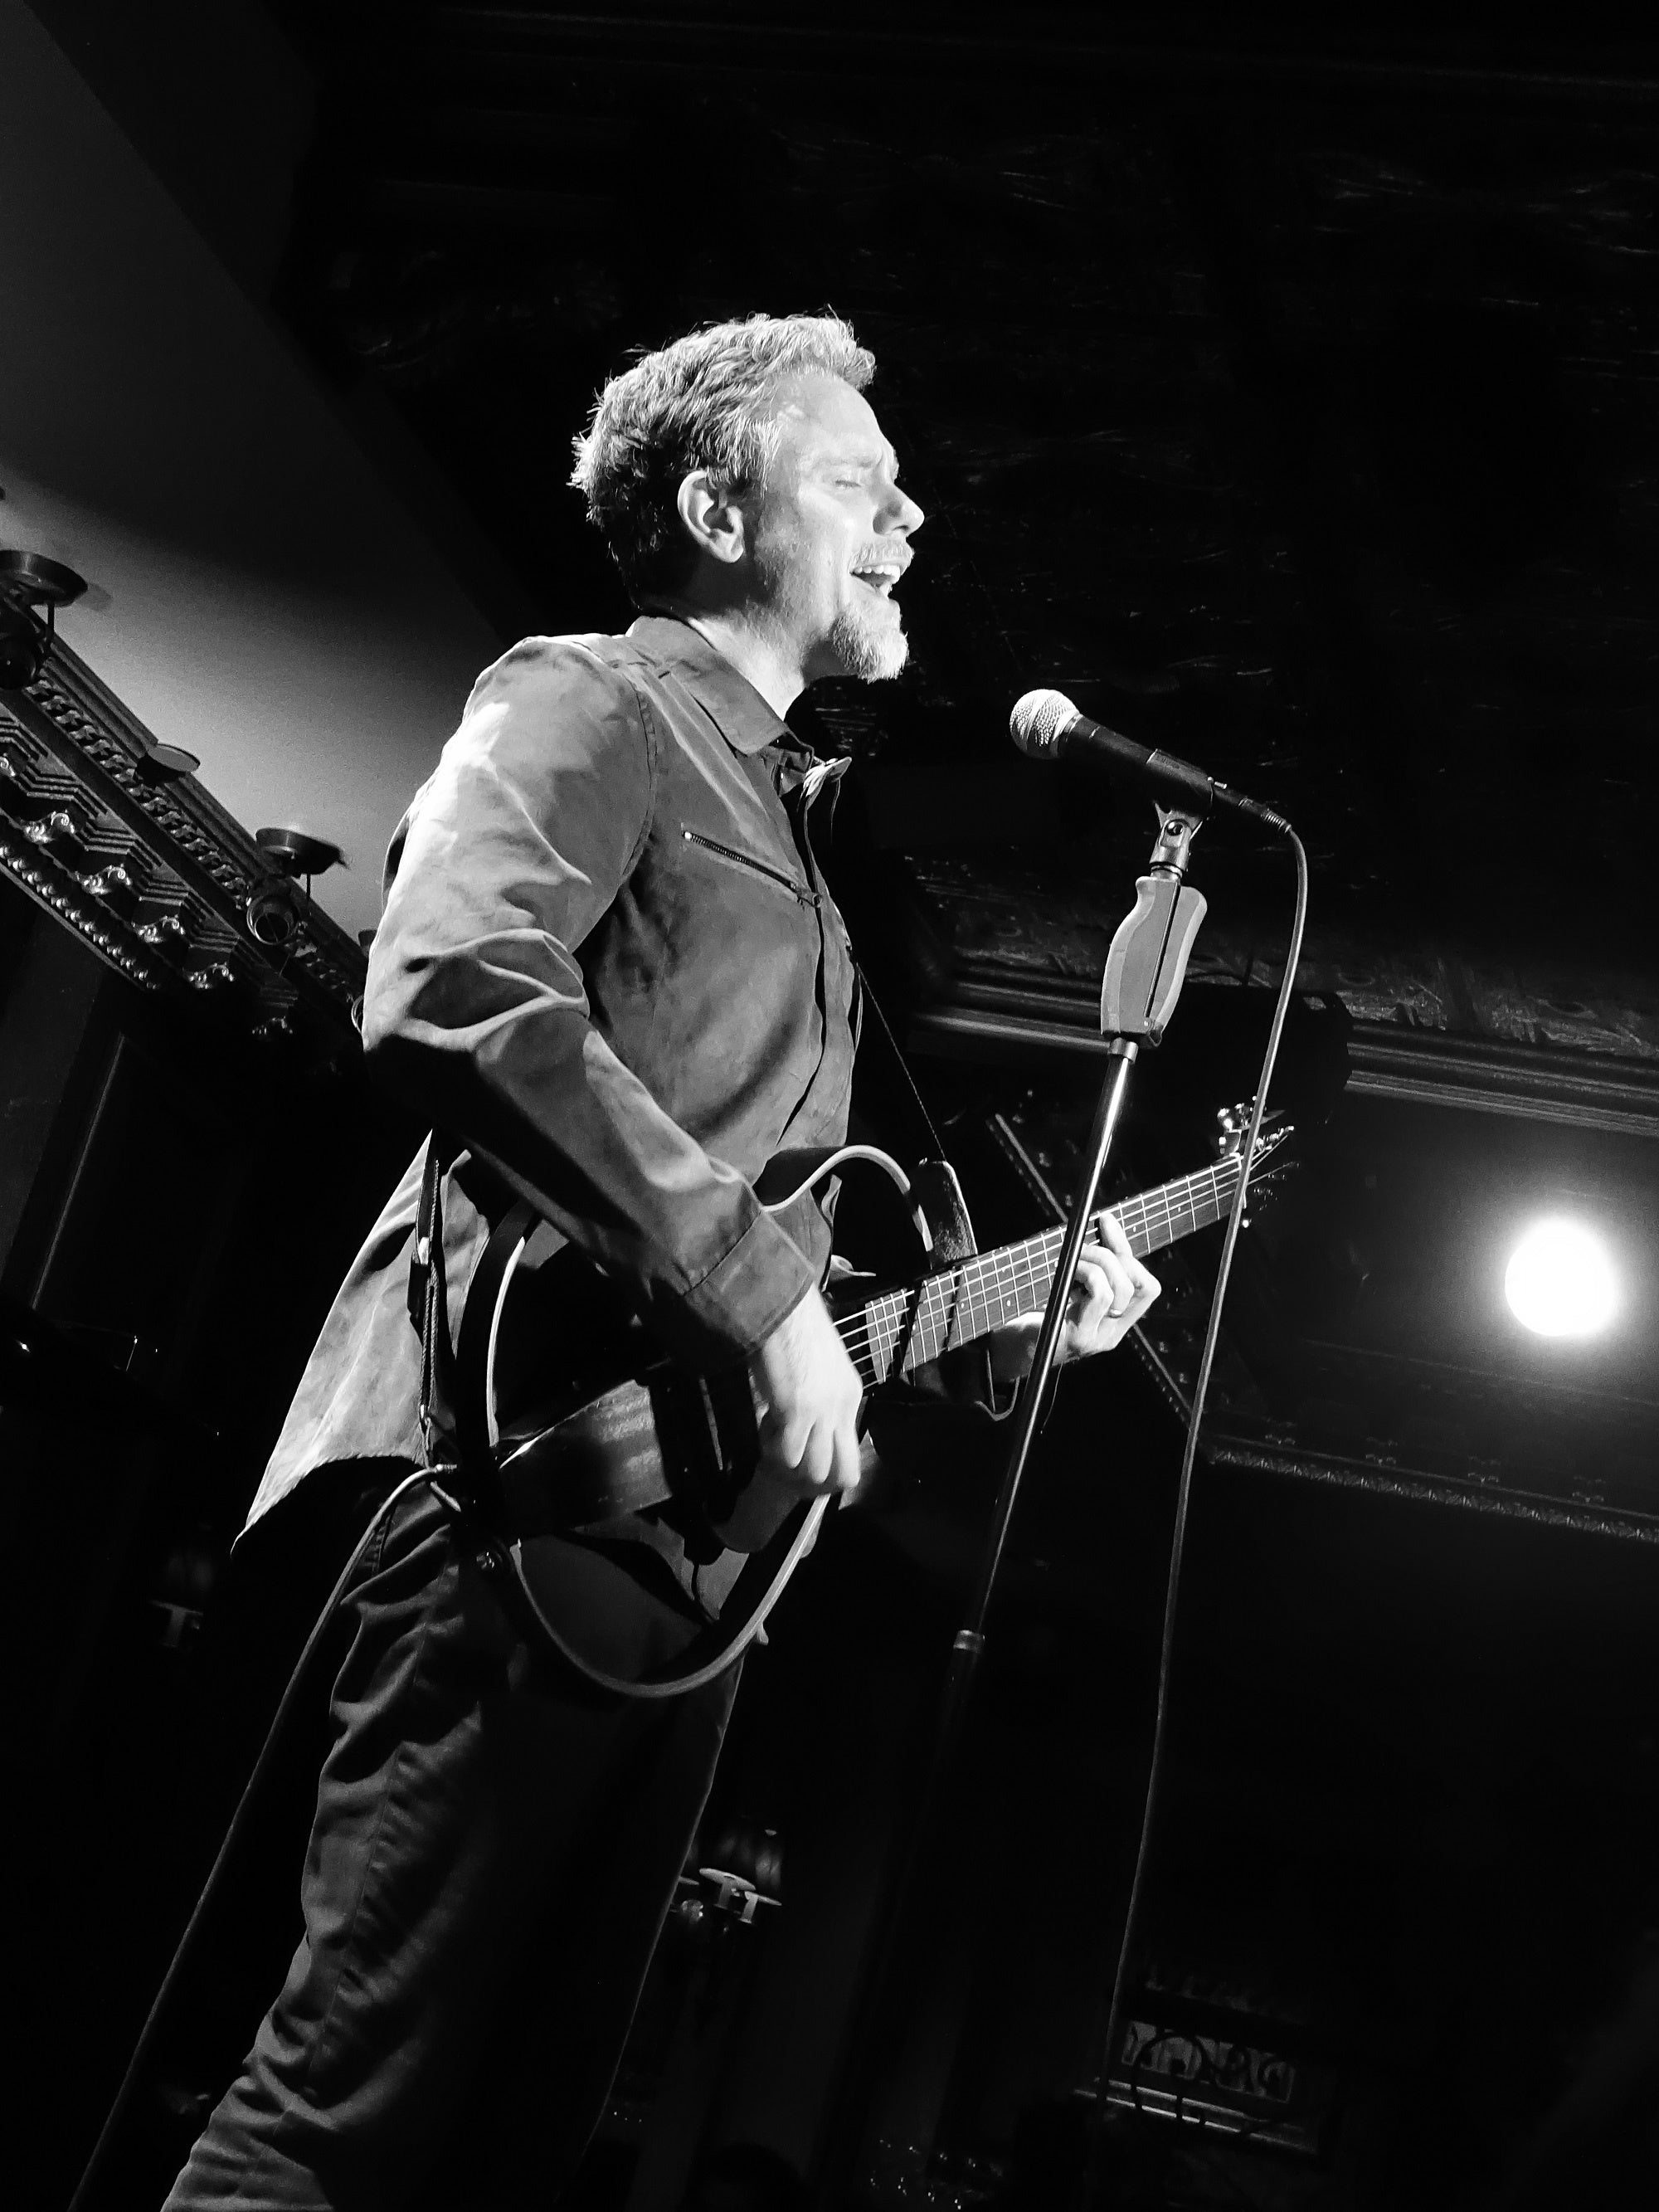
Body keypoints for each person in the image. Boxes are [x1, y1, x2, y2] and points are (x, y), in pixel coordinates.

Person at [162, 312, 1159, 2210]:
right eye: (858, 483)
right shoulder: (592, 698)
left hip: (686, 1558)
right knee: (345, 2116)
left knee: (506, 2145)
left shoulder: (794, 827)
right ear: (716, 510)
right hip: (513, 1483)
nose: (910, 521)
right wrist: (758, 1296)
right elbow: (454, 984)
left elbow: (778, 1246)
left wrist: (1002, 1322)